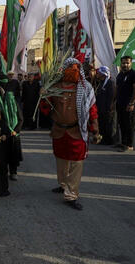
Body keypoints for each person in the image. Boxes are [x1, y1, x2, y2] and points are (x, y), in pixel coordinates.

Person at [48, 58, 100, 210]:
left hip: (76, 131)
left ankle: (71, 194)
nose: (74, 70)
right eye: (71, 67)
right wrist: (43, 95)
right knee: (61, 159)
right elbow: (45, 108)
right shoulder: (54, 87)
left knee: (76, 163)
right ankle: (63, 184)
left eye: (77, 68)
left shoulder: (85, 88)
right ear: (64, 69)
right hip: (59, 130)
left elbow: (92, 110)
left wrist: (95, 128)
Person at [116, 56, 135, 152]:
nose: (125, 65)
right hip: (120, 104)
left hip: (129, 105)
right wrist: (114, 102)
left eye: (127, 63)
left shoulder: (134, 74)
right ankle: (123, 143)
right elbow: (117, 89)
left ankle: (129, 145)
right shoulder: (120, 75)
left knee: (129, 124)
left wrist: (132, 103)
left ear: (131, 63)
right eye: (123, 63)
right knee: (122, 123)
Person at [96, 66, 116, 145]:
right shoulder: (101, 82)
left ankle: (109, 141)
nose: (98, 74)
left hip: (107, 108)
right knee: (102, 124)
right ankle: (103, 139)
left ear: (103, 74)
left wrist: (110, 107)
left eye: (99, 73)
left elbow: (112, 97)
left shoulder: (110, 83)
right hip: (101, 108)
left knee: (108, 125)